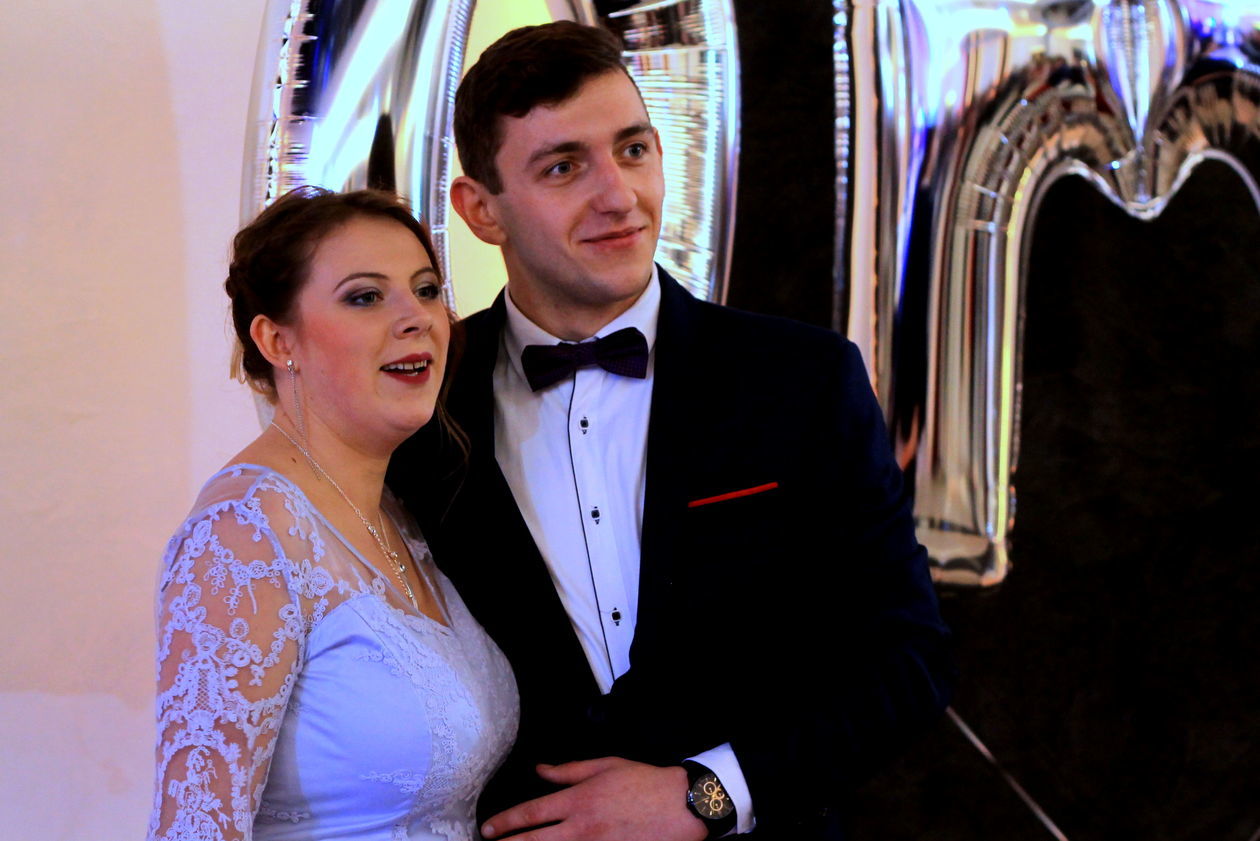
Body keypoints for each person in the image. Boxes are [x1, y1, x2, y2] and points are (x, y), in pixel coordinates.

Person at [388, 21, 955, 841]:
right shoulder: (421, 409)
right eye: (563, 167)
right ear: (480, 210)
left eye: (633, 150)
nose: (619, 195)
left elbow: (907, 659)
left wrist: (708, 793)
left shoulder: (803, 379)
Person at [149, 188, 518, 841]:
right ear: (276, 339)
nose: (417, 317)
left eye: (426, 290)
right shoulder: (242, 535)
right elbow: (197, 827)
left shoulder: (399, 513)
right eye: (366, 297)